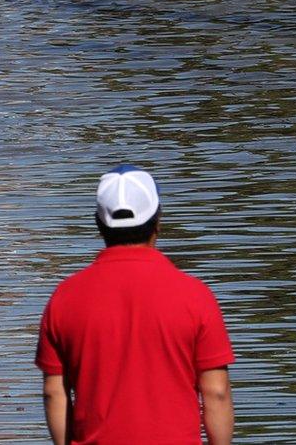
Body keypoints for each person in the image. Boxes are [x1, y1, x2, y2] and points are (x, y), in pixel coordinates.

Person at [35, 165, 235, 445]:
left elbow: (54, 392)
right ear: (158, 222)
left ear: (98, 224)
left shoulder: (65, 298)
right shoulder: (195, 296)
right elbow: (216, 392)